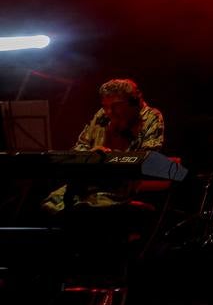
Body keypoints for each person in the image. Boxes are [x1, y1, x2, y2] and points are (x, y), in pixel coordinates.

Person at [43, 77, 165, 212]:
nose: (109, 112)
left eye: (116, 106)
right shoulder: (102, 114)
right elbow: (81, 145)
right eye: (105, 106)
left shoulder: (151, 117)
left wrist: (109, 157)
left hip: (117, 188)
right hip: (84, 183)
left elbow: (147, 157)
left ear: (133, 102)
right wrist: (91, 155)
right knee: (50, 204)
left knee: (83, 210)